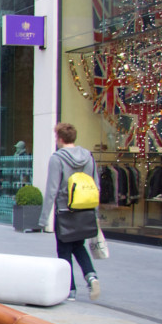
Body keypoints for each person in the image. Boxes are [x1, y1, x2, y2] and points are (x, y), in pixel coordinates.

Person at [38, 122, 100, 302]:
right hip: (84, 211)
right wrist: (94, 213)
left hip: (65, 212)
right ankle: (91, 276)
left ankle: (70, 289)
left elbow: (52, 190)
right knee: (78, 246)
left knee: (64, 251)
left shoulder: (57, 158)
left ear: (60, 138)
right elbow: (96, 186)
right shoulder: (88, 157)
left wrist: (43, 219)